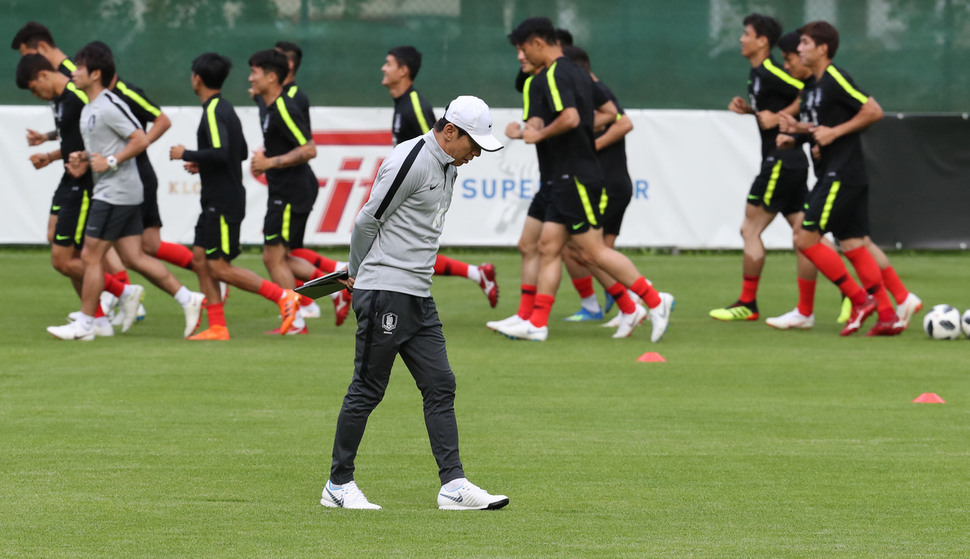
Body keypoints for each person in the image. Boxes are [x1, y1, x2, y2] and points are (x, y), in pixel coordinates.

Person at [320, 96, 509, 511]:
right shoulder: (411, 160)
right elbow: (368, 219)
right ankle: (337, 484)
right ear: (449, 131)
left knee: (441, 384)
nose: (476, 153)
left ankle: (453, 485)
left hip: (418, 295)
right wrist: (354, 271)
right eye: (472, 144)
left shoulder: (448, 164)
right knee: (368, 388)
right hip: (384, 290)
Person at [497, 17, 674, 343]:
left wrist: (541, 134)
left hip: (575, 176)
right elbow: (599, 114)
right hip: (566, 175)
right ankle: (536, 322)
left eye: (523, 49)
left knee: (592, 252)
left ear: (538, 43)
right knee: (548, 247)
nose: (522, 57)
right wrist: (534, 132)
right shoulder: (577, 72)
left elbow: (572, 117)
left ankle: (653, 300)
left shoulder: (553, 75)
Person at [47, 41, 204, 341]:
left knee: (90, 256)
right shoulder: (90, 108)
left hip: (116, 192)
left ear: (95, 74)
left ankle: (87, 324)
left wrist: (110, 161)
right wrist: (83, 160)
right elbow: (104, 148)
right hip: (115, 189)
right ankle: (188, 298)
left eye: (79, 67)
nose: (73, 73)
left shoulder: (109, 105)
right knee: (132, 255)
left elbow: (139, 138)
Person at [769, 31, 922, 330]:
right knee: (853, 244)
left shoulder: (835, 78)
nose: (798, 49)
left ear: (823, 49)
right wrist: (798, 133)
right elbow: (822, 127)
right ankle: (889, 317)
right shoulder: (812, 86)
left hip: (841, 174)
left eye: (805, 44)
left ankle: (859, 298)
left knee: (805, 237)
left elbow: (873, 111)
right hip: (835, 172)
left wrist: (833, 134)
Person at [169, 52, 301, 340]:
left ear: (197, 79)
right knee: (201, 259)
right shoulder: (223, 108)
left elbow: (221, 152)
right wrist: (200, 163)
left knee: (219, 266)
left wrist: (186, 154)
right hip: (216, 199)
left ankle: (283, 296)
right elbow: (237, 152)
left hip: (223, 201)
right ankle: (217, 326)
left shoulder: (215, 110)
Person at [15, 53, 136, 335]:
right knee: (59, 243)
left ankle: (122, 293)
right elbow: (74, 141)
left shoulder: (77, 97)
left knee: (64, 259)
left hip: (85, 184)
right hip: (68, 177)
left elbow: (103, 137)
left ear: (44, 75)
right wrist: (49, 154)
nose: (36, 95)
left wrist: (100, 161)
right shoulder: (59, 100)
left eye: (34, 88)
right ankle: (98, 319)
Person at [708, 14, 816, 324]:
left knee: (750, 229)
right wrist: (751, 111)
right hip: (789, 160)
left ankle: (747, 303)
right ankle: (852, 296)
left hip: (781, 161)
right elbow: (774, 112)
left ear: (762, 41)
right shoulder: (757, 73)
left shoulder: (770, 71)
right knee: (804, 236)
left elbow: (810, 90)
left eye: (746, 34)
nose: (741, 39)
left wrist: (779, 114)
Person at [380, 45, 499, 308]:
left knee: (405, 244)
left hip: (416, 188)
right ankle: (476, 274)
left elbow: (434, 151)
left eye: (388, 63)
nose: (383, 68)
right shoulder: (402, 103)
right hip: (404, 184)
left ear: (403, 70)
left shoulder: (413, 104)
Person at [560, 45, 639, 325]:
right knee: (589, 252)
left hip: (606, 184)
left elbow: (624, 121)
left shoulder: (594, 89)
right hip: (609, 184)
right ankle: (625, 304)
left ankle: (638, 299)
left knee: (587, 252)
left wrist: (590, 144)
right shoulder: (587, 91)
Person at [248, 49, 317, 335]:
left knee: (272, 258)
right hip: (283, 190)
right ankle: (337, 287)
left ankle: (296, 321)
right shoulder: (270, 106)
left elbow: (309, 149)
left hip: (291, 191)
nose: (250, 78)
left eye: (255, 73)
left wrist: (269, 162)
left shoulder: (284, 107)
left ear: (272, 77)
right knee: (280, 257)